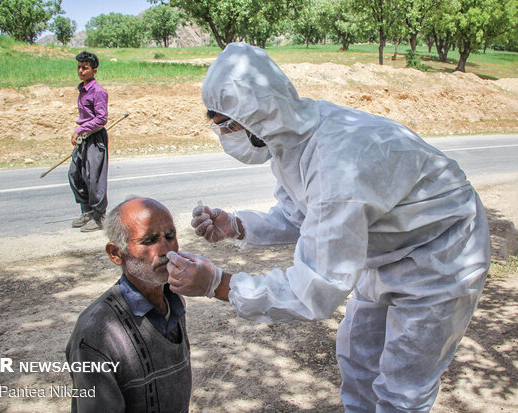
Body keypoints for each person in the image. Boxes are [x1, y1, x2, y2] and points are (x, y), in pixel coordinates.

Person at [166, 42, 491, 412]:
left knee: (404, 386)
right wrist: (237, 226)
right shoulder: (294, 138)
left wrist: (219, 284)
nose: (224, 135)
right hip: (391, 247)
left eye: (226, 124)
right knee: (358, 358)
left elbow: (314, 290)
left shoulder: (336, 163)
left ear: (255, 117)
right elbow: (301, 215)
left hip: (444, 250)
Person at [65, 197, 192, 412]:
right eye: (149, 241)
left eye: (170, 237)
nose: (165, 250)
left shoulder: (173, 300)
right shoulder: (96, 334)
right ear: (116, 254)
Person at [69, 51, 109, 232]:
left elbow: (101, 119)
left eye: (85, 68)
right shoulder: (82, 89)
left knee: (94, 178)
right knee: (75, 174)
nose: (80, 71)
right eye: (79, 67)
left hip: (94, 138)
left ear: (94, 70)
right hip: (84, 138)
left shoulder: (98, 91)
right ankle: (87, 211)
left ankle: (99, 216)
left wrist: (79, 130)